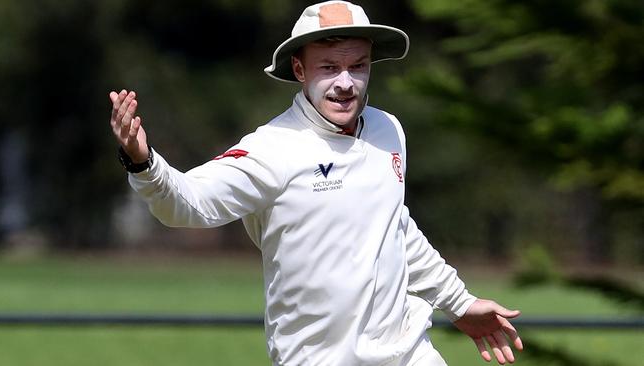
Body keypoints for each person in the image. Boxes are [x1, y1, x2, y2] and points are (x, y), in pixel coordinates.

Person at [109, 1, 523, 365]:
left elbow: (396, 229)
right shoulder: (273, 149)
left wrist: (459, 303)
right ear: (299, 69)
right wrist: (142, 162)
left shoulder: (387, 129)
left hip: (408, 352)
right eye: (329, 68)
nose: (346, 82)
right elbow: (187, 205)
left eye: (357, 66)